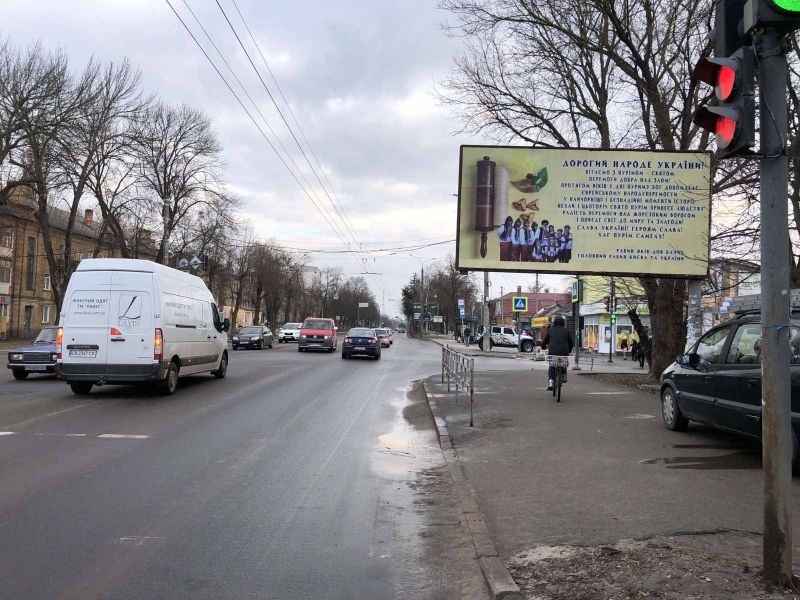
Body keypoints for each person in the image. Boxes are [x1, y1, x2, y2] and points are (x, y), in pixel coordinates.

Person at [541, 316, 574, 391]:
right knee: (564, 363)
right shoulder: (566, 331)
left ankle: (551, 382)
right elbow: (571, 343)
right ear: (563, 323)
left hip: (553, 351)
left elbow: (545, 341)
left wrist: (543, 347)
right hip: (564, 351)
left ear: (554, 323)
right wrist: (569, 350)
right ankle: (564, 376)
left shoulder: (550, 330)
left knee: (552, 366)